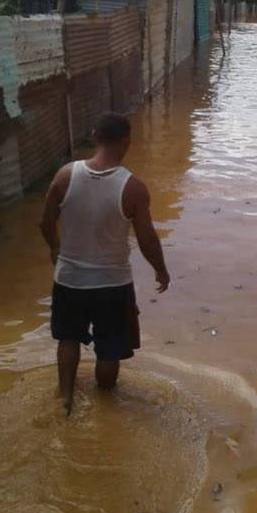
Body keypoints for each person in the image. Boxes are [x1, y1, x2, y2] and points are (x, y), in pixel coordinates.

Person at [40, 112, 170, 415]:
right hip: (113, 285)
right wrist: (160, 270)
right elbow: (147, 239)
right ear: (126, 143)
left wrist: (55, 248)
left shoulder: (64, 175)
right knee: (110, 348)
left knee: (68, 338)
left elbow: (44, 221)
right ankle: (105, 406)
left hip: (69, 278)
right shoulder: (133, 188)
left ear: (95, 137)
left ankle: (65, 398)